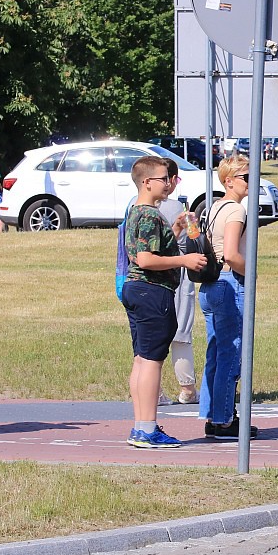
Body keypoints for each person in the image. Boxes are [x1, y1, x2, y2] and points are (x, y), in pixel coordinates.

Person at [120, 156, 206, 448]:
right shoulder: (148, 214)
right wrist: (185, 259)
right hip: (151, 291)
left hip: (138, 290)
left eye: (170, 178)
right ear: (147, 182)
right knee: (152, 362)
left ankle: (141, 426)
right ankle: (146, 429)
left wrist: (177, 231)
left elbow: (149, 250)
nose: (168, 183)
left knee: (142, 359)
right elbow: (145, 259)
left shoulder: (140, 211)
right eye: (163, 178)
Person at [198, 154, 257, 440]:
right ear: (229, 180)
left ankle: (212, 416)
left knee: (216, 353)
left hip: (210, 285)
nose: (251, 181)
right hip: (228, 283)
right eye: (246, 177)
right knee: (231, 355)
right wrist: (253, 272)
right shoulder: (235, 210)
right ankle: (223, 421)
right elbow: (232, 254)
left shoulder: (214, 207)